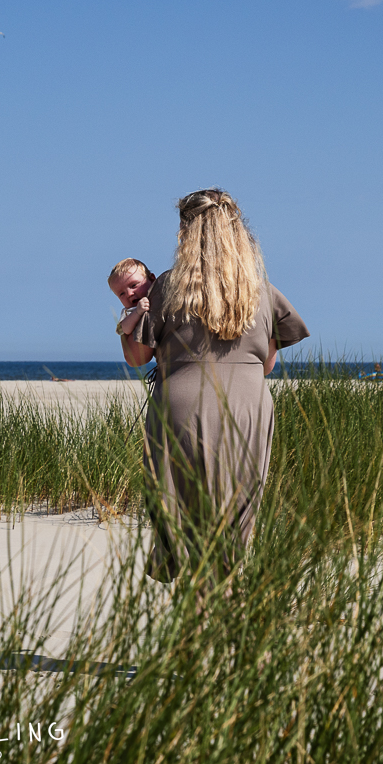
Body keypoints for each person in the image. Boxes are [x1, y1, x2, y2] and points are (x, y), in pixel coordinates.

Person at [121, 189, 309, 583]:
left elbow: (138, 359)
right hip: (247, 408)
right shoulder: (259, 290)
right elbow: (268, 364)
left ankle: (189, 605)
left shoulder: (169, 287)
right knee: (232, 519)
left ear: (186, 234)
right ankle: (216, 606)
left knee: (183, 518)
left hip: (181, 406)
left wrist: (126, 327)